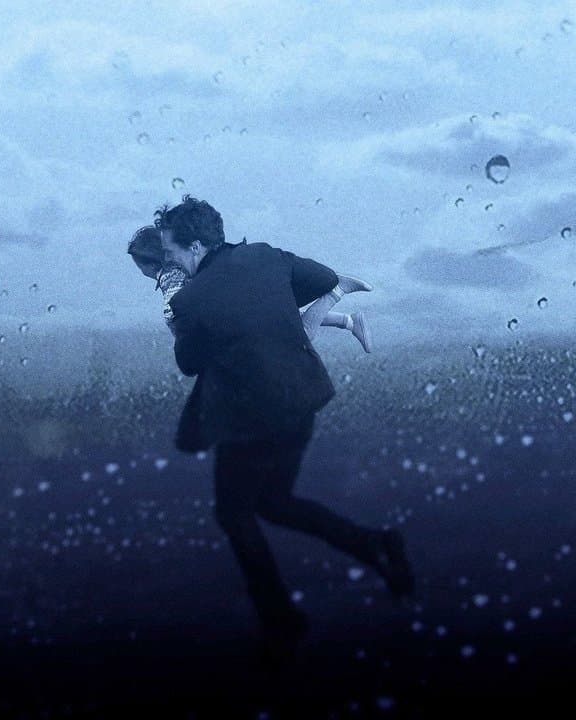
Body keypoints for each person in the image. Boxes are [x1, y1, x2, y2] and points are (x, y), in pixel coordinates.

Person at [133, 196, 414, 666]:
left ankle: (282, 621)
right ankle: (376, 545)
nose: (171, 260)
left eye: (172, 251)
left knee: (234, 514)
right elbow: (324, 279)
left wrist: (189, 322)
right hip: (301, 402)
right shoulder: (263, 255)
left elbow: (188, 363)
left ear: (195, 246)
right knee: (273, 502)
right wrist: (272, 308)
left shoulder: (190, 300)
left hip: (250, 417)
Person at [128, 225, 373, 352]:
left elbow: (176, 315)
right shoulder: (185, 256)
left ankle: (337, 291)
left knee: (300, 338)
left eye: (139, 266)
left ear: (149, 264)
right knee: (287, 318)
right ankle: (350, 321)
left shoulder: (170, 281)